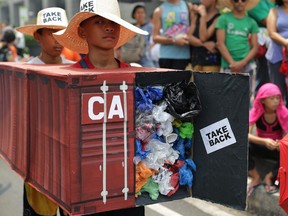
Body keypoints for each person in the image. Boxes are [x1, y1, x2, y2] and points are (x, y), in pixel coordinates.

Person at [53, 0, 148, 215]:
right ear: (82, 30)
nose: (108, 27)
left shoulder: (137, 77)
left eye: (113, 22)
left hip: (127, 190)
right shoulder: (65, 80)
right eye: (98, 22)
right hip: (82, 192)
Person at [16, 7, 73, 216]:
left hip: (68, 160)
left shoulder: (75, 70)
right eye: (51, 32)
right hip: (38, 161)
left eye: (61, 33)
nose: (58, 39)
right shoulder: (25, 72)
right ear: (38, 36)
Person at [248, 83, 288, 196]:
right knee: (241, 145)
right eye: (272, 98)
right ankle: (255, 177)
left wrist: (280, 143)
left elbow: (287, 135)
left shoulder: (284, 112)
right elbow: (246, 135)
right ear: (263, 100)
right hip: (261, 146)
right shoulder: (255, 112)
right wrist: (264, 141)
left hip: (276, 148)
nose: (276, 101)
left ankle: (269, 176)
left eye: (278, 98)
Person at [216, 0, 259, 90]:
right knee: (227, 97)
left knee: (247, 97)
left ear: (247, 2)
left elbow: (255, 47)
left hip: (247, 65)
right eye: (236, 0)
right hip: (228, 65)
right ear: (231, 2)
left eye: (243, 0)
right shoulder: (223, 19)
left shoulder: (252, 22)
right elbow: (220, 44)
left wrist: (242, 63)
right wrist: (232, 63)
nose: (240, 2)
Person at [152, 0, 192, 70]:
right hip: (166, 56)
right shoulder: (159, 10)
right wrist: (174, 41)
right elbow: (155, 37)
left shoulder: (188, 6)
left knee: (182, 81)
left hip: (184, 56)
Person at [247, 0, 274, 96]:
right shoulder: (254, 3)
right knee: (264, 77)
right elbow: (267, 21)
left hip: (278, 47)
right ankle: (258, 108)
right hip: (263, 48)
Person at [188, 0, 221, 72]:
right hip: (195, 61)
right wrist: (204, 44)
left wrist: (203, 17)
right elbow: (189, 37)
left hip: (211, 63)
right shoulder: (196, 14)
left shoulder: (218, 18)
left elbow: (203, 37)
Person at [266, 0, 288, 105]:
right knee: (278, 90)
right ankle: (281, 117)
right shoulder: (274, 11)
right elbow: (272, 33)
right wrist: (286, 42)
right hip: (277, 54)